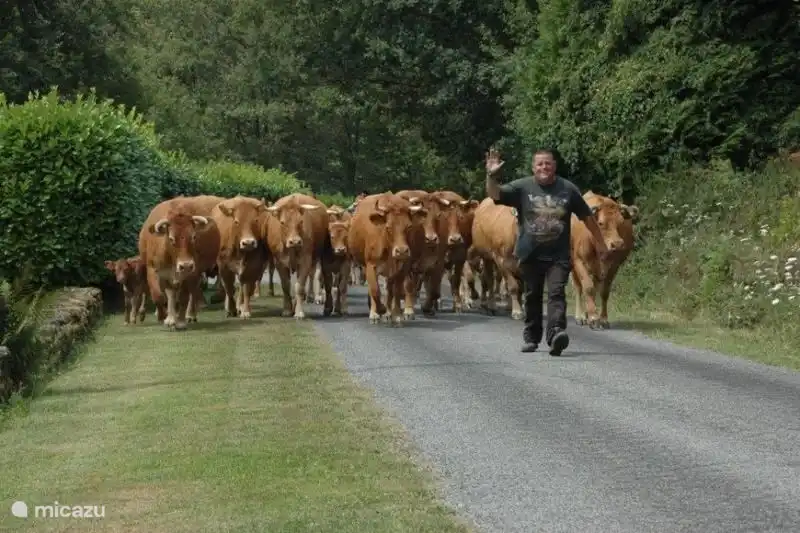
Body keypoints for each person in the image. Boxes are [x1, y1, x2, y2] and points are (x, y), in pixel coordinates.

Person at [485, 147, 609, 355]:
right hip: (530, 253)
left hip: (558, 255)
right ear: (533, 167)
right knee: (532, 296)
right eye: (540, 163)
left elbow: (587, 217)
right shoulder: (522, 187)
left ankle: (556, 334)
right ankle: (532, 338)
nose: (544, 167)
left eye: (548, 163)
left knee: (556, 294)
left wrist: (601, 244)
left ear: (554, 166)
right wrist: (491, 175)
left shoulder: (568, 189)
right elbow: (494, 194)